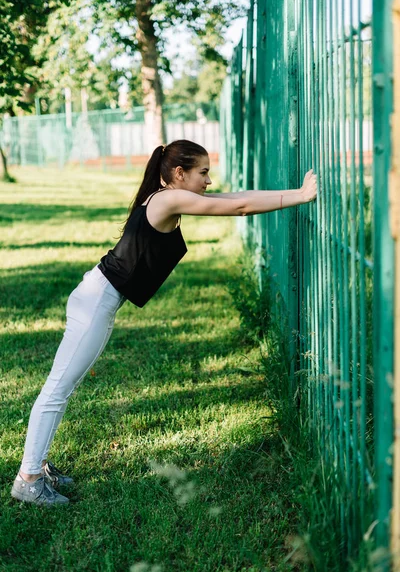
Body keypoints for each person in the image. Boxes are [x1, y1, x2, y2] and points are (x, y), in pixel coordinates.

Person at [11, 139, 317, 507]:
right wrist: (300, 197)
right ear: (179, 173)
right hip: (95, 302)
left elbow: (236, 196)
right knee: (58, 389)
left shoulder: (168, 196)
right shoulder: (168, 199)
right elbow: (240, 208)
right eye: (202, 172)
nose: (208, 180)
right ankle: (27, 478)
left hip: (99, 298)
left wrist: (296, 191)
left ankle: (37, 466)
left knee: (63, 388)